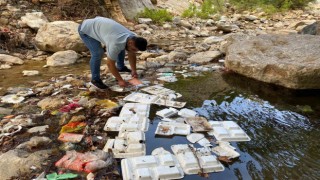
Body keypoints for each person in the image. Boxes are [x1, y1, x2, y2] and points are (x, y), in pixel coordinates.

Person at [78, 17, 148, 89]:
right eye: (134, 49)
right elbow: (110, 64)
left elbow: (131, 53)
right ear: (130, 43)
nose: (134, 51)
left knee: (123, 46)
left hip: (100, 26)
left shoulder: (132, 37)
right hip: (85, 29)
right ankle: (95, 79)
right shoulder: (115, 43)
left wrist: (134, 70)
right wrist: (120, 80)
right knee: (97, 53)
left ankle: (121, 67)